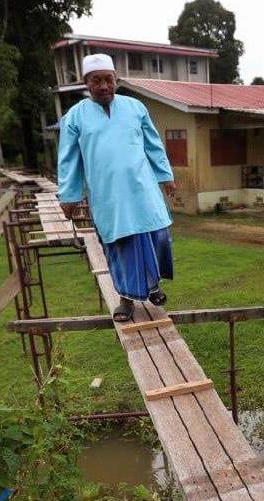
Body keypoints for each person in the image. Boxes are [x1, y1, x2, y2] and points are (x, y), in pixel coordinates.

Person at [57, 53, 177, 322]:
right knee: (121, 245)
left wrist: (165, 177)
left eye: (108, 80)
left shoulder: (136, 108)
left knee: (155, 239)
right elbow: (68, 159)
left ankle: (153, 285)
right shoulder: (74, 117)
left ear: (116, 80)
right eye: (96, 80)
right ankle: (125, 299)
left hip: (144, 190)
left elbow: (153, 145)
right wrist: (69, 196)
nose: (103, 86)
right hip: (109, 196)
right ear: (86, 83)